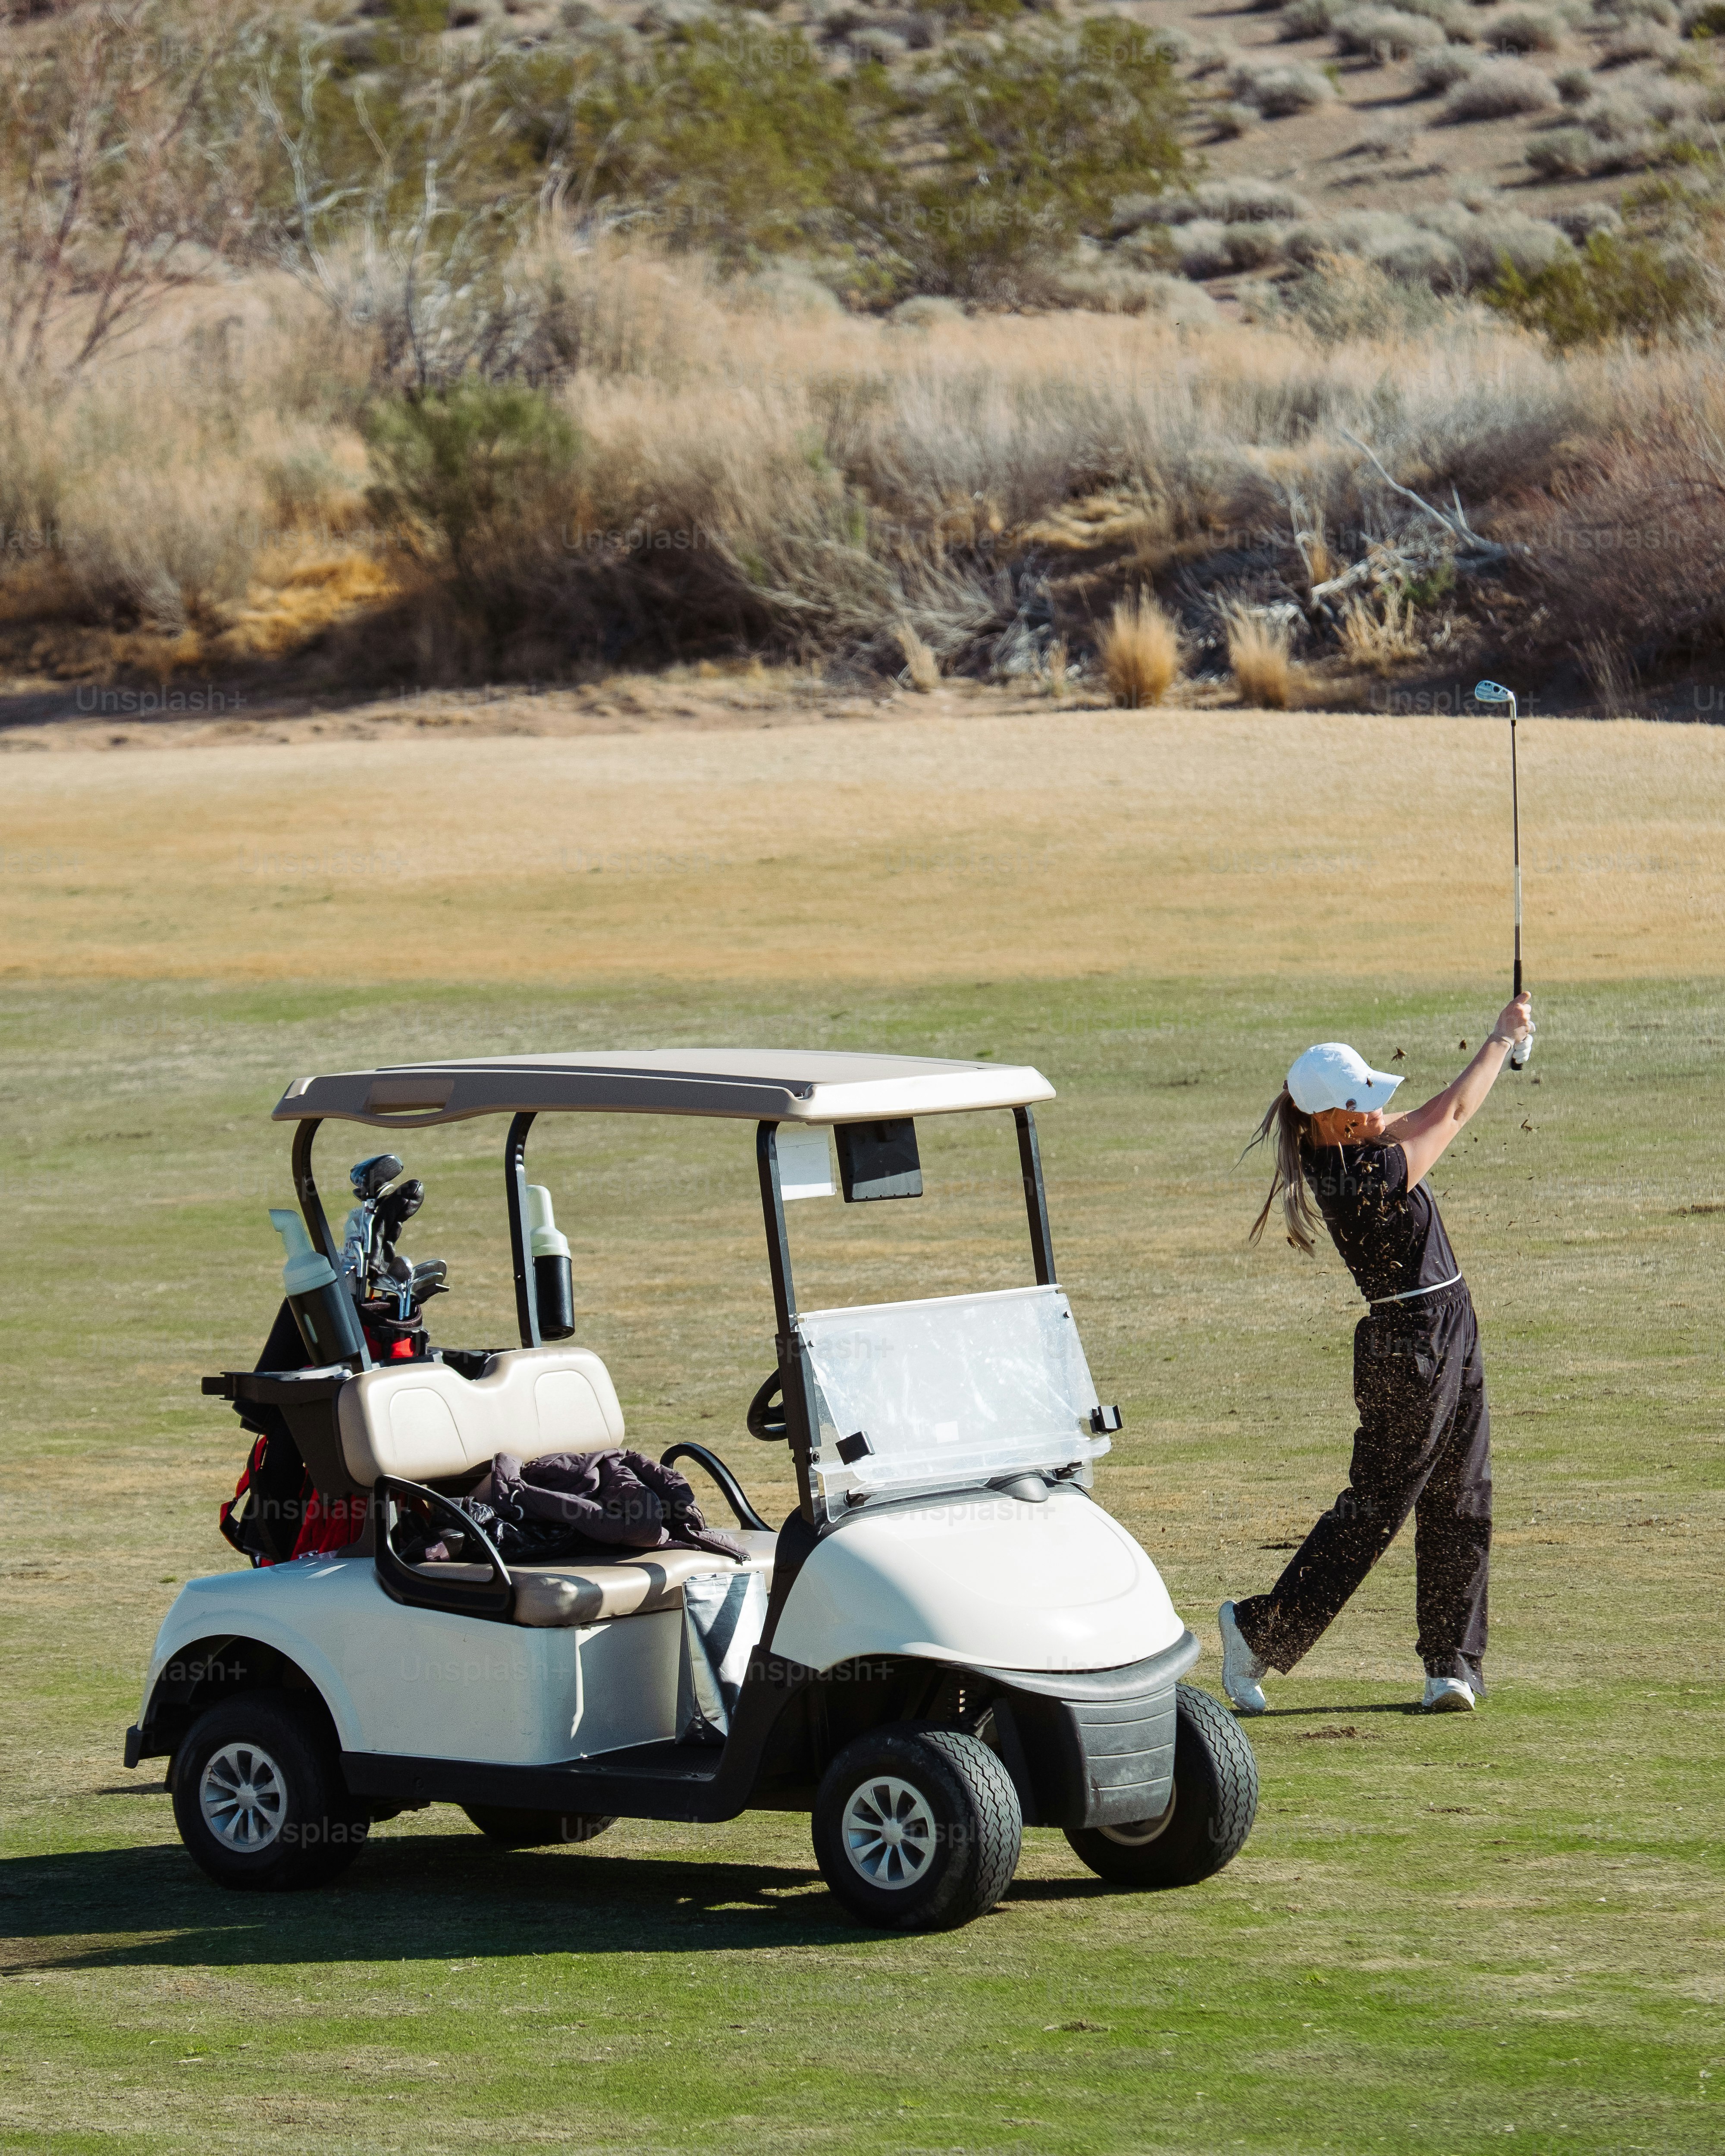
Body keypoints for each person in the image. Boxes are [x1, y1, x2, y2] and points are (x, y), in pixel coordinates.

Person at [1219, 993, 1534, 1716]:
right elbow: (1450, 1119)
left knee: (1464, 1496)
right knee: (1377, 1511)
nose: (1374, 1112)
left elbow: (1421, 1115)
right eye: (1358, 1106)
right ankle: (1257, 1630)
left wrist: (1499, 1048)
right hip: (1409, 1345)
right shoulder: (1357, 1175)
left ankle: (1451, 1666)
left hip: (1450, 1323)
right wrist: (1498, 1040)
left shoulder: (1352, 1139)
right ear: (1327, 1122)